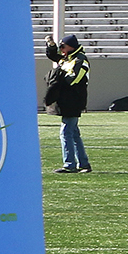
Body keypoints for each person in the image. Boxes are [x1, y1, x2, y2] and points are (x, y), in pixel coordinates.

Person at [45, 34, 91, 173]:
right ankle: (83, 164)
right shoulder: (68, 58)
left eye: (63, 46)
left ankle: (70, 164)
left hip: (74, 100)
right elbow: (54, 56)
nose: (61, 49)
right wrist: (51, 46)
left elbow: (73, 80)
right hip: (67, 100)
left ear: (71, 46)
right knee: (74, 133)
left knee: (65, 132)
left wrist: (58, 79)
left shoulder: (80, 60)